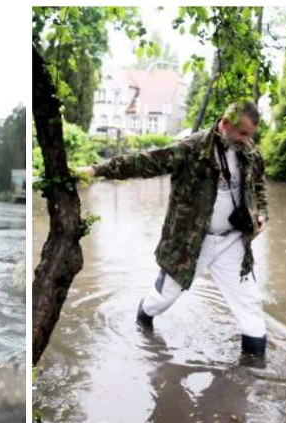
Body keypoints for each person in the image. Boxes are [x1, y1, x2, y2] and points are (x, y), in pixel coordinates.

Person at [80, 100, 269, 365]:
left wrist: (261, 213)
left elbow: (259, 184)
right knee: (162, 300)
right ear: (225, 125)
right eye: (243, 134)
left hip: (233, 242)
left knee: (250, 308)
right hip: (191, 244)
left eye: (251, 135)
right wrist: (96, 170)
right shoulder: (191, 149)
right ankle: (142, 320)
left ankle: (251, 379)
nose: (247, 141)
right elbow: (144, 162)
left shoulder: (249, 152)